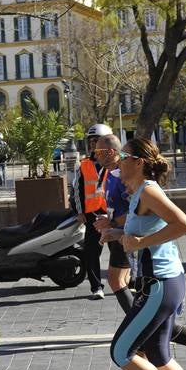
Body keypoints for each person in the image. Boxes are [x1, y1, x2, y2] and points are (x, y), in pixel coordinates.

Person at [93, 132, 186, 370]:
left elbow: (184, 224)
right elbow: (143, 233)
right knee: (158, 354)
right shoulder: (138, 192)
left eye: (124, 157)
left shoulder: (149, 192)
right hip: (159, 282)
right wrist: (117, 234)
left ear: (139, 162)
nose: (119, 162)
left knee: (121, 352)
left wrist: (139, 242)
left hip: (160, 283)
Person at [78, 123, 113, 299]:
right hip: (92, 215)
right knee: (91, 252)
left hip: (113, 215)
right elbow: (77, 191)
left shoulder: (117, 163)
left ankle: (128, 283)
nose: (93, 145)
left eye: (96, 141)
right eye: (90, 141)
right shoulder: (84, 165)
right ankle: (96, 287)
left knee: (121, 250)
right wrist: (79, 211)